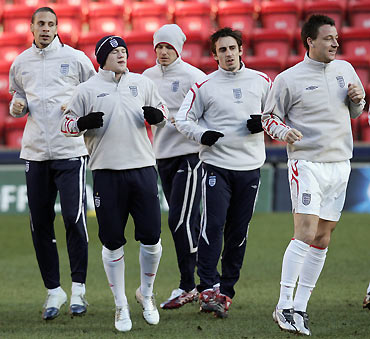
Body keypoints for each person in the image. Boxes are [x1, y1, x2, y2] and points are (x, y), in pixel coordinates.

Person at [262, 14, 366, 336]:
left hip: (340, 163)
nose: (336, 42)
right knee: (305, 233)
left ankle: (301, 307)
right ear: (310, 41)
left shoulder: (345, 70)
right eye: (328, 38)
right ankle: (283, 305)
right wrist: (284, 132)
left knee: (323, 237)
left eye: (336, 38)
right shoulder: (288, 79)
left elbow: (355, 111)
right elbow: (267, 118)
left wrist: (358, 102)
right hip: (306, 163)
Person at [61, 35, 169, 332]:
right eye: (115, 51)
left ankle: (145, 295)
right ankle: (120, 304)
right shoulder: (86, 89)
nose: (122, 55)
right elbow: (66, 124)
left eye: (124, 50)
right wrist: (81, 124)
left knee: (152, 239)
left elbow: (164, 116)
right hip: (106, 174)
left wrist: (158, 117)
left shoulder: (143, 83)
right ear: (102, 57)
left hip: (143, 170)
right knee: (112, 241)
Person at [176, 27, 271, 318]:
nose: (228, 54)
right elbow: (182, 119)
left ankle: (226, 290)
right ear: (214, 54)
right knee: (212, 225)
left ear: (241, 49)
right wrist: (202, 135)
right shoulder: (204, 86)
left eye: (232, 48)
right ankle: (207, 285)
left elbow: (278, 115)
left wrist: (264, 123)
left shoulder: (262, 81)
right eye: (222, 50)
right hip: (217, 166)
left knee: (238, 232)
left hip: (250, 168)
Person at [9, 7, 96, 320]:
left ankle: (78, 290)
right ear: (31, 27)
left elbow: (96, 92)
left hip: (70, 149)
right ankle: (53, 291)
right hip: (34, 152)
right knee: (40, 224)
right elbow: (17, 100)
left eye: (51, 24)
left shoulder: (75, 59)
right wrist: (16, 107)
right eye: (40, 24)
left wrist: (78, 108)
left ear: (57, 27)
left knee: (74, 219)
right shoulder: (20, 63)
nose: (45, 28)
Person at [142, 24, 206, 310]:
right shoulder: (145, 77)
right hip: (162, 157)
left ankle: (190, 283)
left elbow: (209, 112)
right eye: (159, 47)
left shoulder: (194, 76)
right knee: (186, 221)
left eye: (169, 47)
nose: (163, 52)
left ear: (178, 48)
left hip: (190, 156)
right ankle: (201, 283)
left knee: (179, 220)